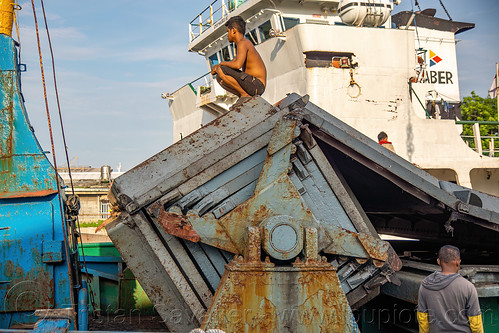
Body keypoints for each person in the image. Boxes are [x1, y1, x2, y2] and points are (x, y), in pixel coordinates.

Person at [417, 245, 484, 333]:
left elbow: (422, 319)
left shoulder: (425, 285)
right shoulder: (468, 287)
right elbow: (476, 323)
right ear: (458, 262)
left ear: (438, 261)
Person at [210, 15, 266, 110]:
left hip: (258, 85)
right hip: (253, 85)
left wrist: (221, 64)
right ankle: (243, 95)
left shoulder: (243, 43)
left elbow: (237, 65)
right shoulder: (240, 45)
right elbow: (233, 63)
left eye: (228, 31)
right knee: (220, 78)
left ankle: (245, 95)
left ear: (234, 30)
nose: (227, 35)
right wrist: (217, 68)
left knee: (222, 70)